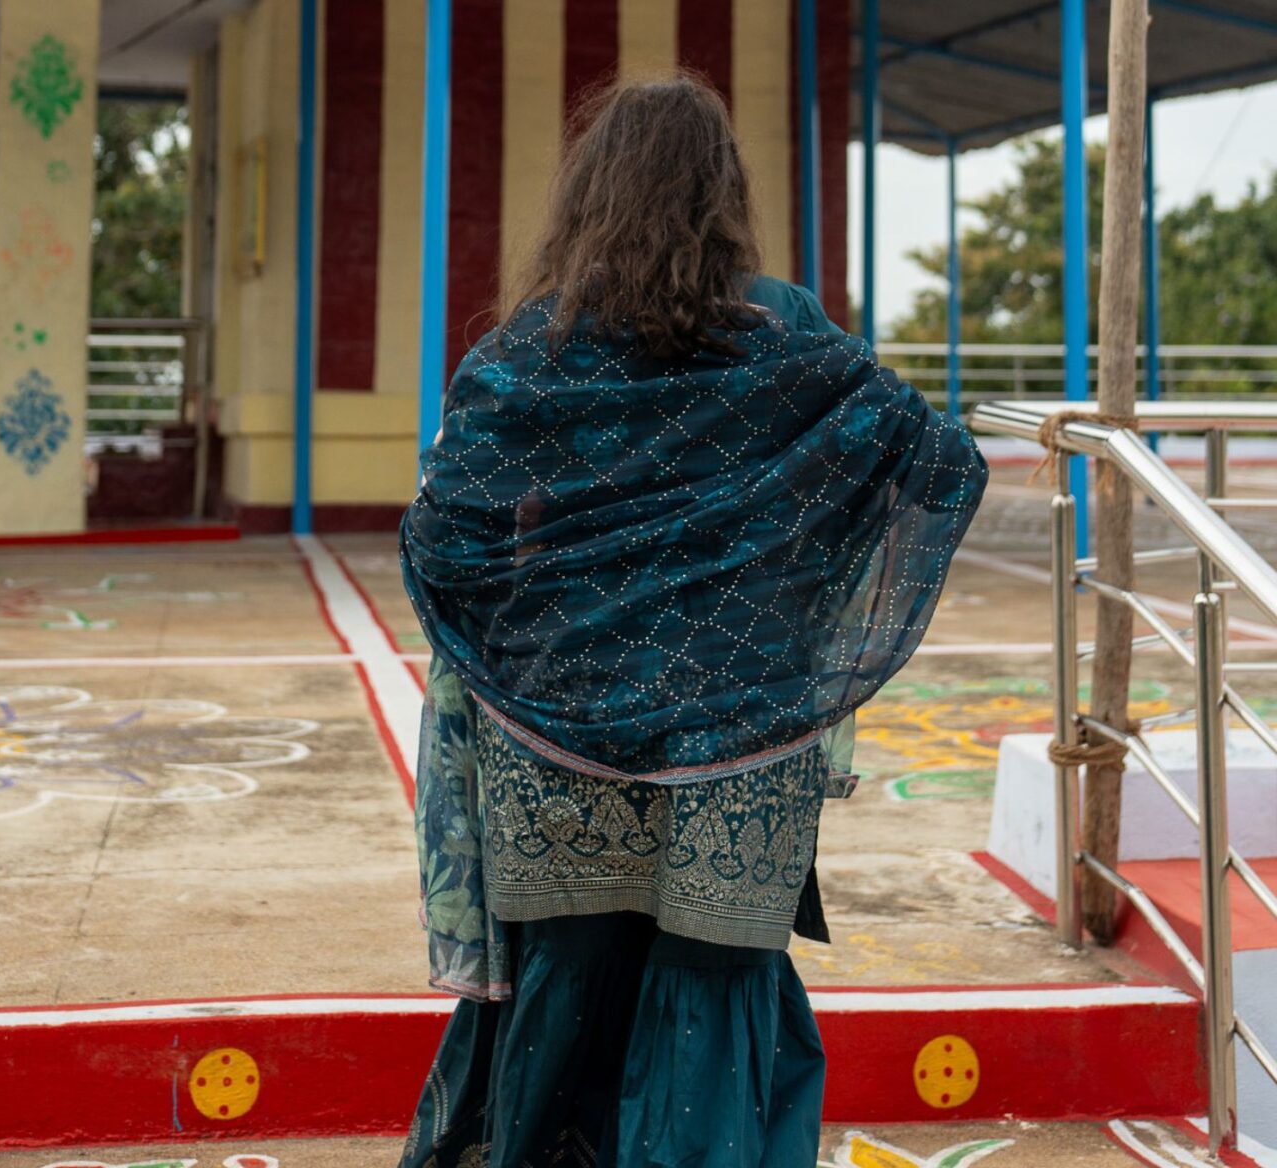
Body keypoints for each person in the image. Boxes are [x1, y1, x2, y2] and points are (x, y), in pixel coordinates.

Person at [399, 73, 987, 1168]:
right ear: (726, 192)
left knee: (561, 995)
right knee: (718, 1002)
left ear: (585, 195)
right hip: (742, 735)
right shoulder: (792, 334)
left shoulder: (527, 354)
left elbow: (448, 534)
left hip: (552, 733)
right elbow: (923, 458)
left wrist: (547, 631)